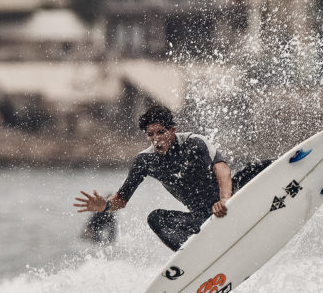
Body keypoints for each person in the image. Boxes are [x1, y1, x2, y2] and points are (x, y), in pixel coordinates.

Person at [74, 105, 270, 251]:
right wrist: (105, 206)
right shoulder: (145, 161)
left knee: (262, 166)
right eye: (151, 134)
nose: (156, 138)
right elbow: (122, 199)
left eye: (161, 132)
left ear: (172, 130)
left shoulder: (194, 143)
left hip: (232, 197)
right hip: (201, 218)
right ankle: (192, 256)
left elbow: (222, 169)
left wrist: (225, 200)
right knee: (156, 218)